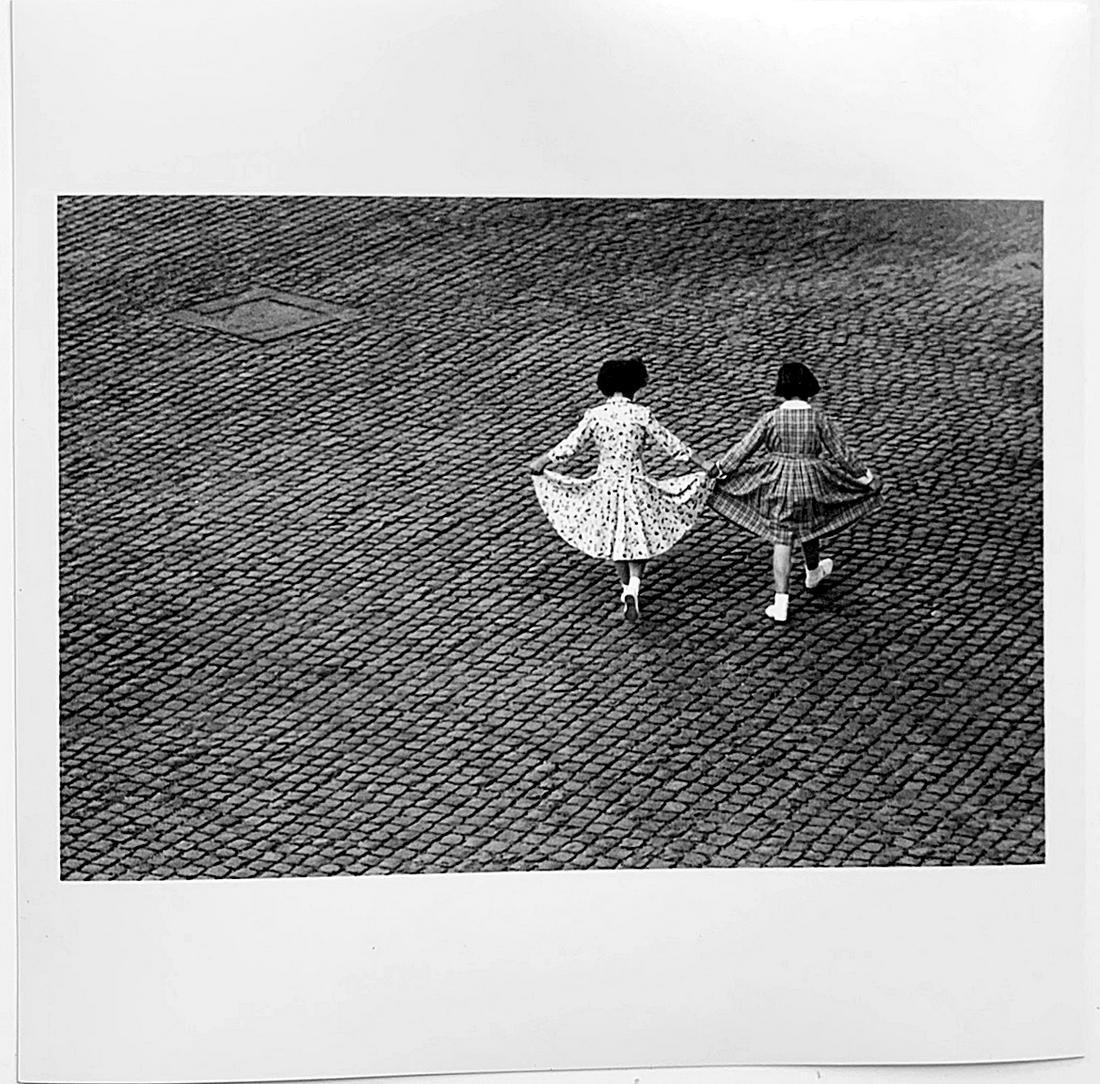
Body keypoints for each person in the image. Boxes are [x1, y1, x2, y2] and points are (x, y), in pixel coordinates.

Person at [528, 357, 710, 621]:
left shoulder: (595, 416)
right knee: (638, 536)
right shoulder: (641, 415)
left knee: (615, 536)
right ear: (635, 385)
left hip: (606, 484)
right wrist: (703, 463)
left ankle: (626, 588)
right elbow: (673, 446)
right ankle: (634, 586)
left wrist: (542, 461)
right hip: (635, 483)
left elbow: (570, 445)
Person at [709, 361, 883, 623]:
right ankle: (812, 573)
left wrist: (719, 470)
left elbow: (744, 449)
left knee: (783, 539)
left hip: (777, 481)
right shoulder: (818, 418)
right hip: (812, 482)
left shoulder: (771, 418)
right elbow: (841, 453)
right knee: (809, 527)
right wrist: (866, 477)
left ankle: (781, 602)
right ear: (809, 387)